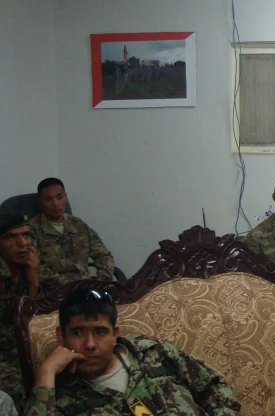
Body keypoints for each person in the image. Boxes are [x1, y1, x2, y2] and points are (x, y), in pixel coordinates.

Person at [24, 287, 241, 416]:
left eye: (100, 332)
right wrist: (46, 372)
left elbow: (214, 387)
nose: (90, 344)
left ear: (115, 334)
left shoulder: (152, 352)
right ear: (61, 336)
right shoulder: (58, 395)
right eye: (78, 333)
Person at [28, 178, 114, 293]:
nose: (55, 203)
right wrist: (70, 287)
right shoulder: (31, 230)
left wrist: (101, 280)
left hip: (87, 288)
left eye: (60, 197)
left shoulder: (78, 224)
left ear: (66, 197)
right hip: (53, 293)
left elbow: (103, 255)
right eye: (48, 199)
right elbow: (36, 269)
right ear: (40, 201)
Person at [0, 212, 41, 413]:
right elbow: (9, 320)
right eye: (11, 237)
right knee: (22, 388)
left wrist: (33, 281)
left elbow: (41, 313)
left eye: (26, 235)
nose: (23, 243)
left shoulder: (31, 263)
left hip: (25, 344)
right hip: (4, 352)